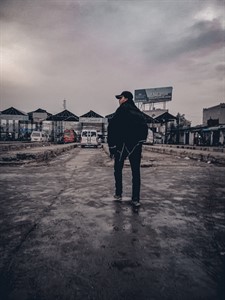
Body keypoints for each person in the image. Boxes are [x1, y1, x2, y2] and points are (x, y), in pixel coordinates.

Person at [107, 91, 148, 208]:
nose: (119, 100)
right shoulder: (139, 113)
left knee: (118, 169)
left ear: (125, 99)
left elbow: (112, 128)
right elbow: (144, 129)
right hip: (135, 147)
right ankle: (135, 199)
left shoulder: (121, 110)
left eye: (120, 98)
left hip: (122, 147)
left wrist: (112, 147)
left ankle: (118, 194)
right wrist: (139, 142)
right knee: (136, 172)